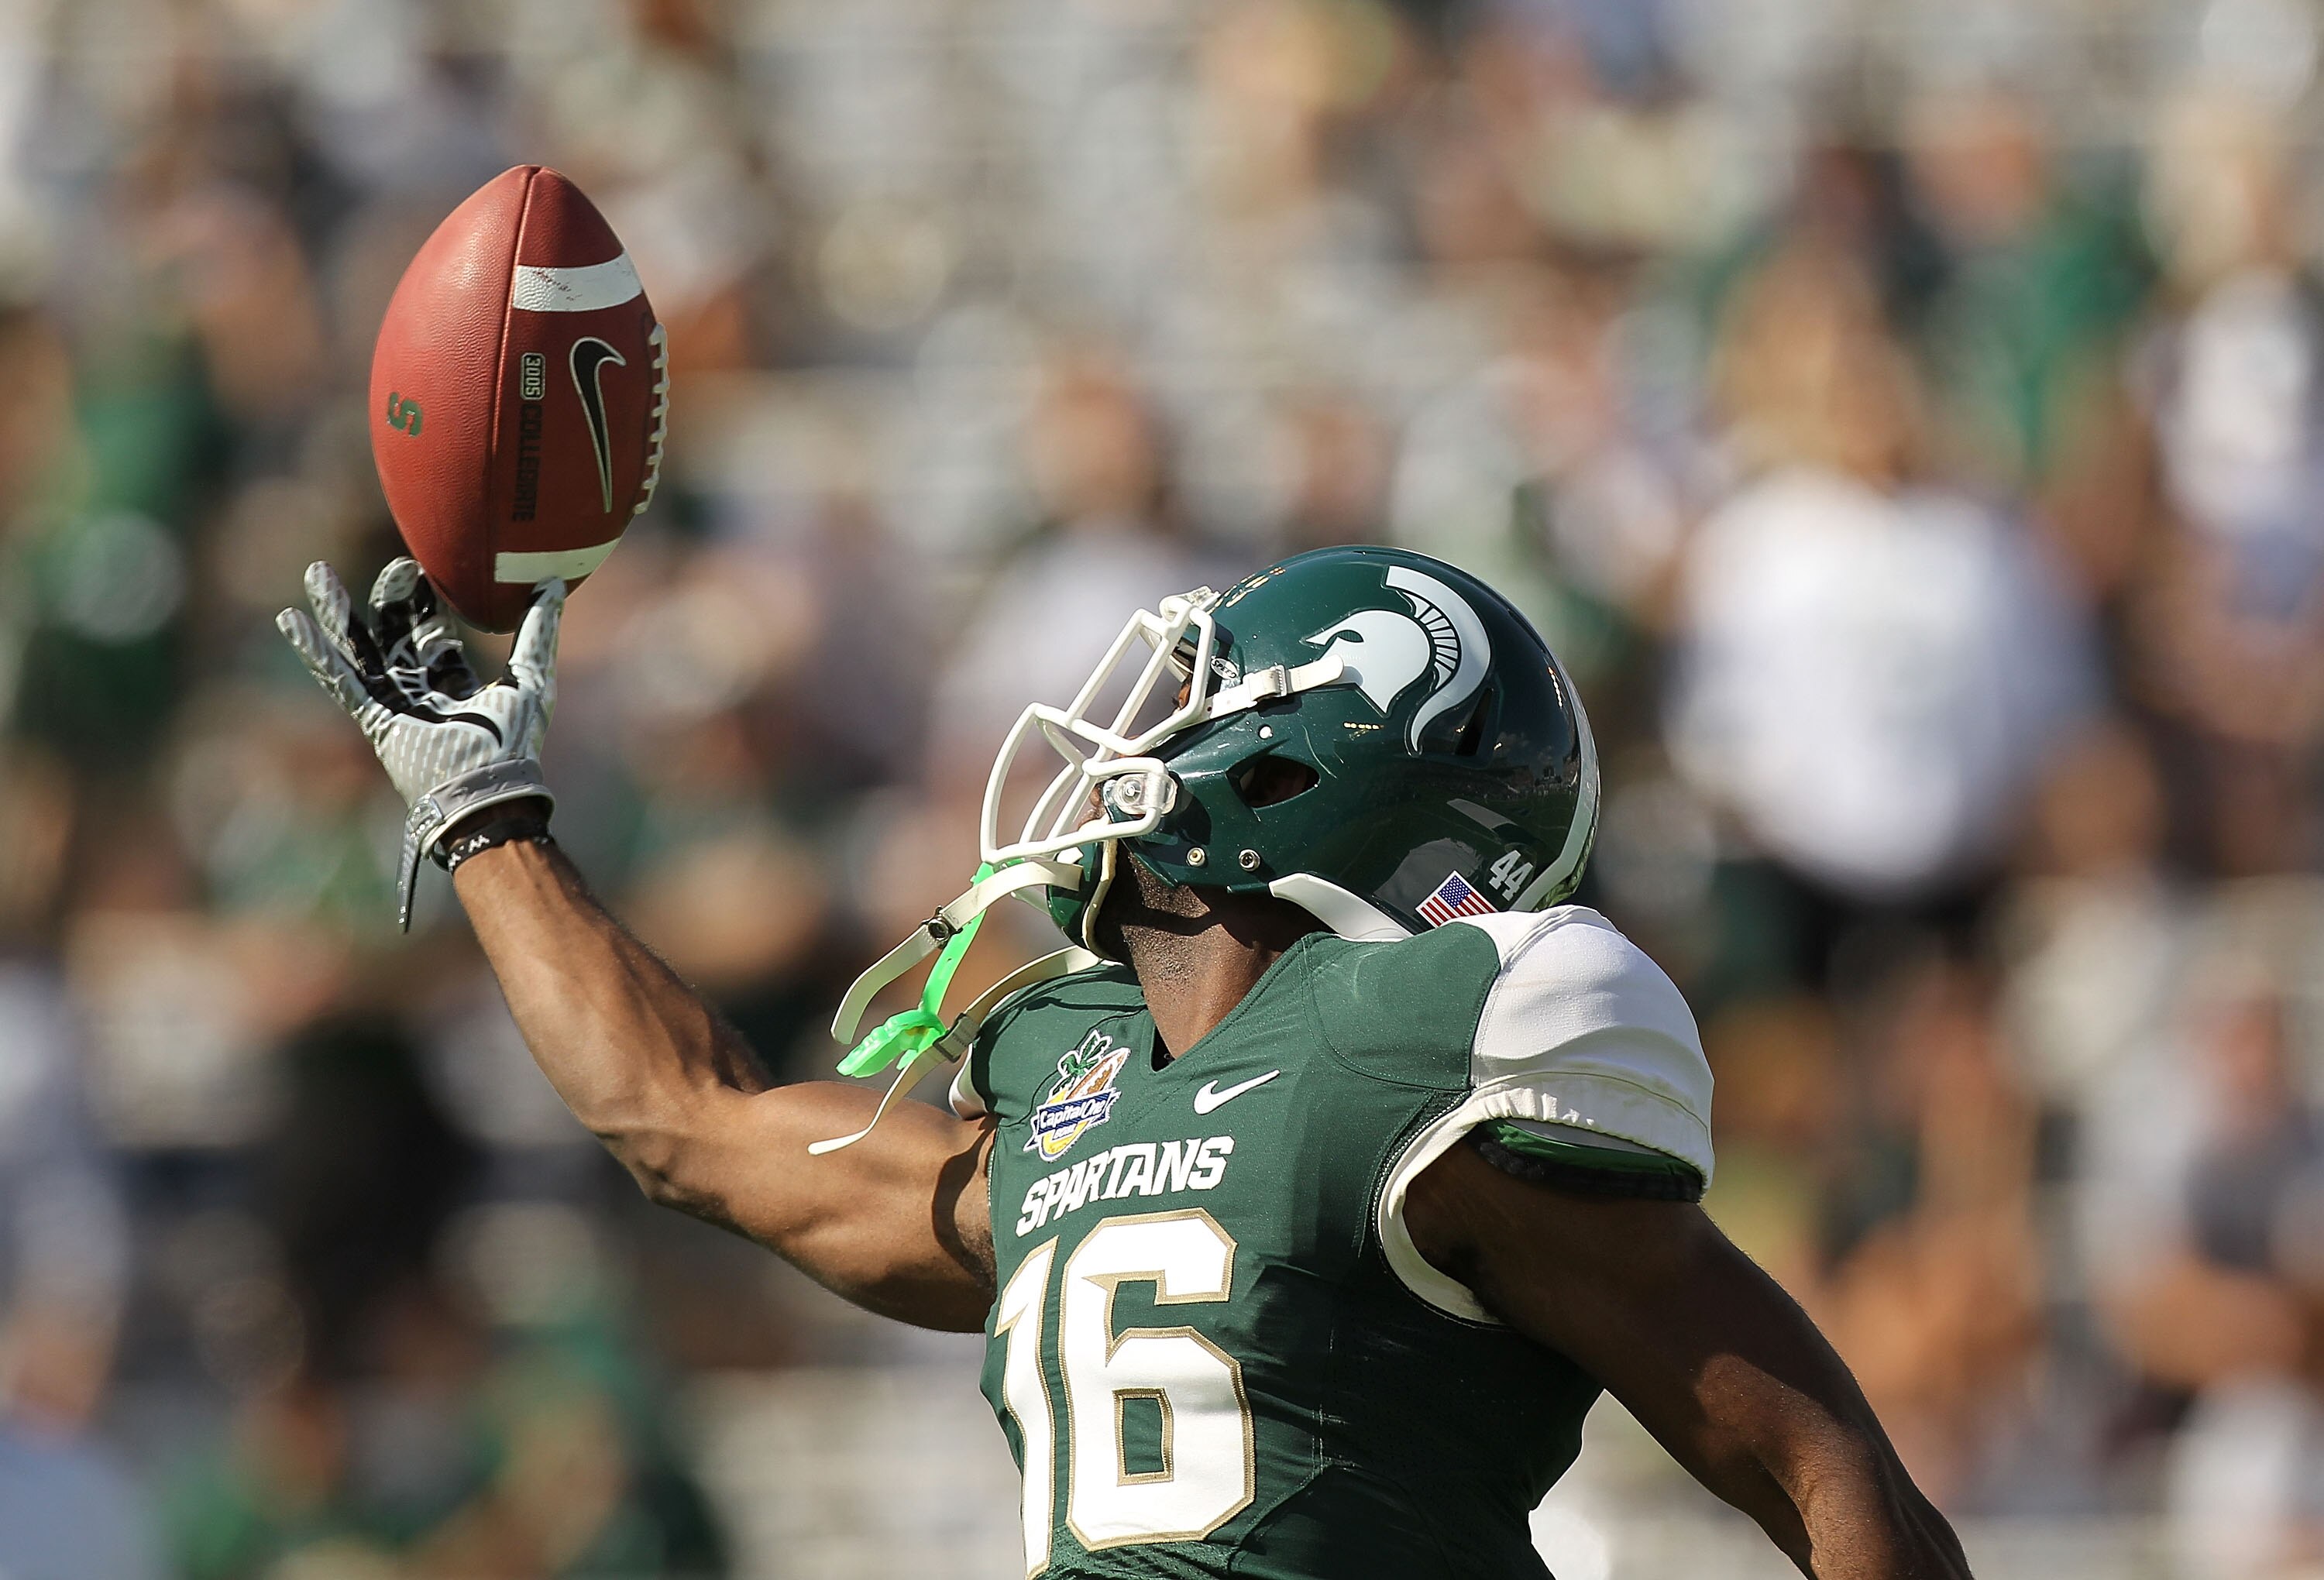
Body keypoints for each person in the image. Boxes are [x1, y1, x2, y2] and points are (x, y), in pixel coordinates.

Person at [278, 545, 1970, 1578]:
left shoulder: (1436, 1054)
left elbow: (1835, 1480)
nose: (1138, 736)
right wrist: (485, 815)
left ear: (1319, 770)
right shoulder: (1072, 1075)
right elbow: (688, 1128)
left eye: (1205, 697)